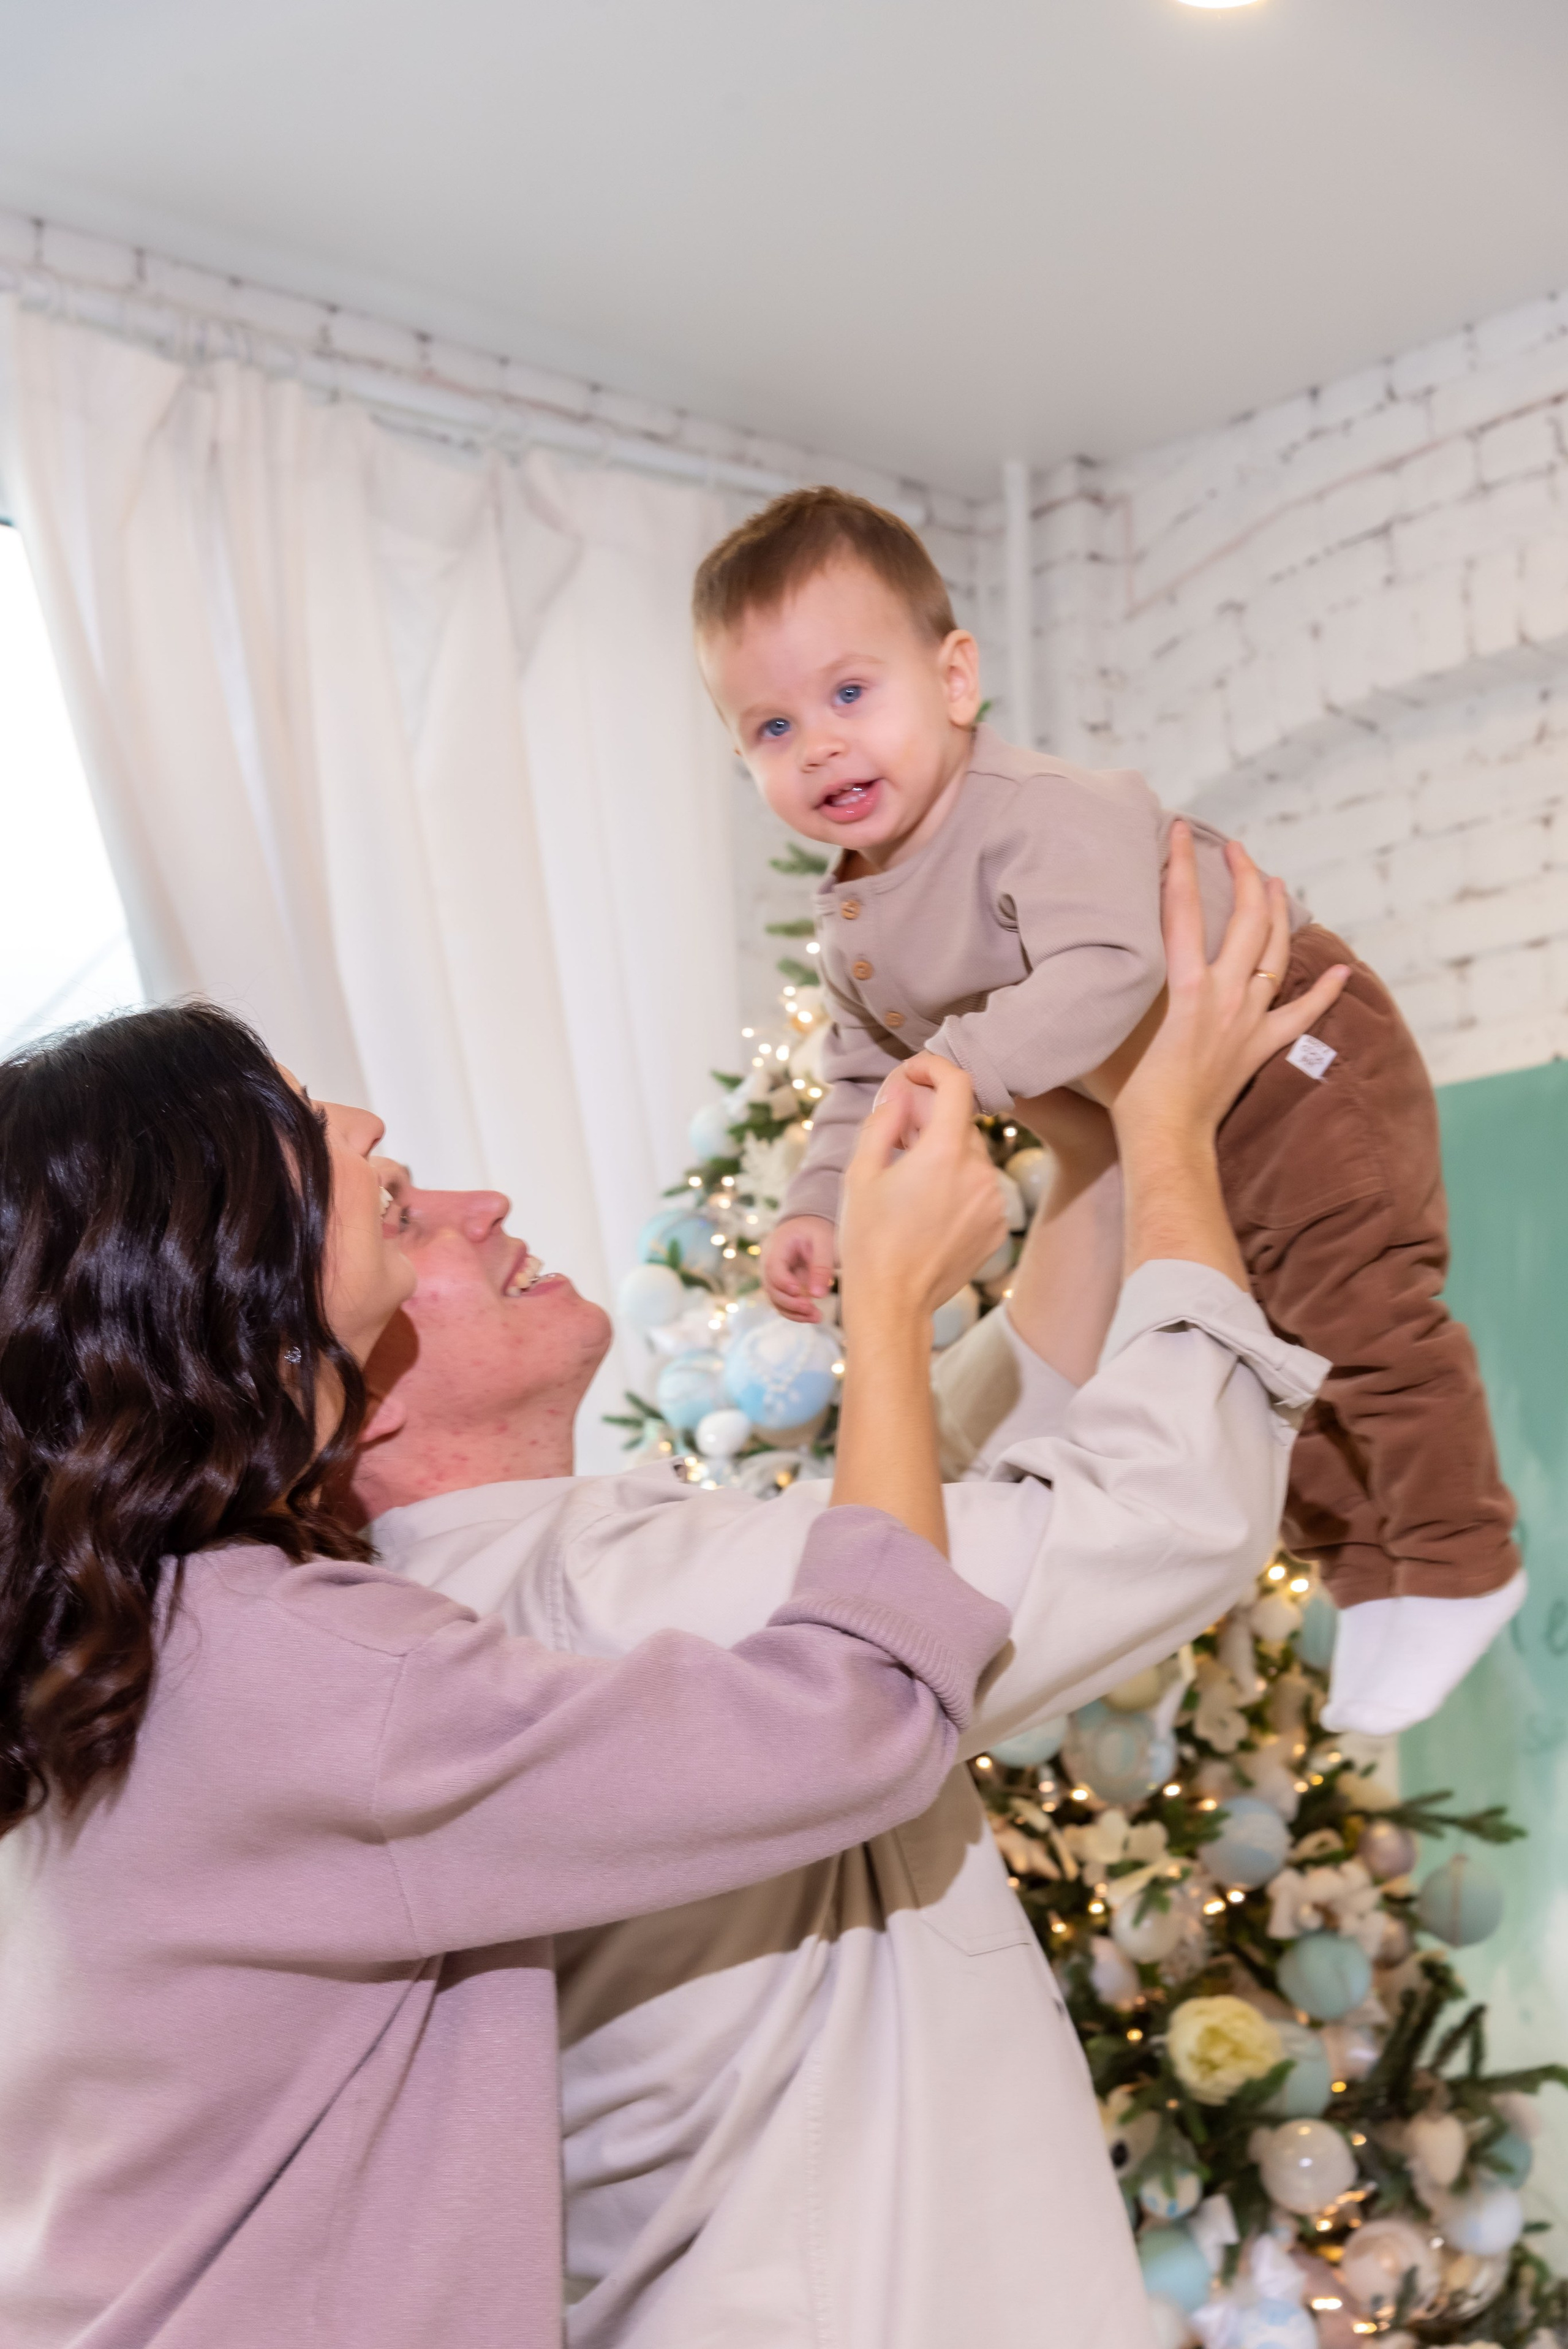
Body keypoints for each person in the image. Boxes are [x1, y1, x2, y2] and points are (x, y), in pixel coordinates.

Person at [355, 834, 1333, 2347]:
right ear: (339, 1381)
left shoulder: (509, 1592)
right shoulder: (600, 1593)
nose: (478, 1203)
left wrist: (1074, 1161)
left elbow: (914, 1515)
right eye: (403, 1211)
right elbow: (1157, 1512)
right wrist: (1166, 1135)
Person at [0, 1001, 1027, 2349]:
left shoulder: (127, 1638)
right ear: (205, 1232)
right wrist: (887, 1310)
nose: (362, 1129)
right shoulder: (297, 1673)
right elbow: (864, 1717)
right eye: (303, 1118)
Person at [691, 483, 1526, 1736]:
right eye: (767, 725)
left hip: (1291, 1051)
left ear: (954, 677)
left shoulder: (1034, 812)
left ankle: (1460, 1558)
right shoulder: (855, 908)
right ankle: (1369, 1580)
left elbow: (1111, 971)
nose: (814, 743)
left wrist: (960, 1071)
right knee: (1258, 1364)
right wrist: (820, 1199)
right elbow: (865, 1073)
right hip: (1168, 1122)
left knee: (1357, 1310)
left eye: (848, 693)